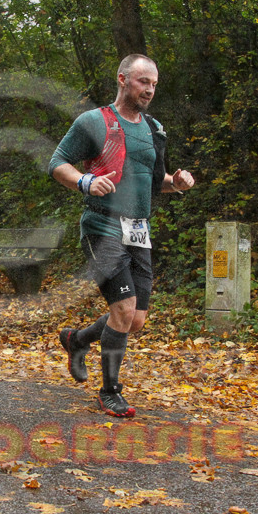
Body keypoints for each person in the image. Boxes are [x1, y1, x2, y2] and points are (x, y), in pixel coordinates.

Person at [48, 54, 195, 417]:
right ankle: (110, 392)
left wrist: (175, 184)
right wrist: (85, 181)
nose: (149, 90)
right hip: (102, 227)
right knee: (123, 309)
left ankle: (76, 339)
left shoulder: (154, 129)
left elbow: (152, 181)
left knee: (135, 319)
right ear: (122, 79)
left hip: (138, 230)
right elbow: (57, 163)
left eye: (154, 84)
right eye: (143, 81)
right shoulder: (94, 123)